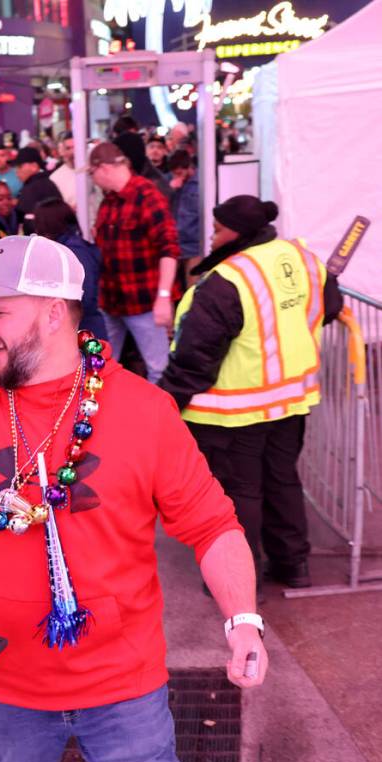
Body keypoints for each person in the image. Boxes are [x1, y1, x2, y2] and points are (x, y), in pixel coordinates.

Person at [0, 234, 269, 762]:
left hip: (125, 685)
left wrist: (243, 622)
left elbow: (213, 526)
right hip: (4, 683)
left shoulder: (143, 409)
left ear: (53, 313)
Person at [158, 196, 342, 590]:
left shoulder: (226, 281)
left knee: (238, 495)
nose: (211, 235)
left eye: (218, 229)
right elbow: (329, 306)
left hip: (231, 414)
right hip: (290, 402)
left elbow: (194, 360)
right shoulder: (301, 258)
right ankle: (293, 565)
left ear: (237, 233)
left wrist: (164, 405)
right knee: (281, 481)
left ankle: (239, 579)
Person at [90, 142, 180, 383]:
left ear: (104, 168)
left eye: (92, 172)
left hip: (144, 301)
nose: (92, 179)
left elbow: (169, 249)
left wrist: (163, 297)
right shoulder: (109, 202)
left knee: (158, 368)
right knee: (101, 366)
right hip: (111, 300)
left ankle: (161, 419)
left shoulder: (148, 196)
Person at [28, 200, 109, 340]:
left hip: (84, 332)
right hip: (74, 328)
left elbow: (85, 296)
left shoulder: (75, 252)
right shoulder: (60, 249)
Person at [166, 150, 201, 280]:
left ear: (189, 168)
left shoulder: (201, 184)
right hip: (174, 242)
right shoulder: (168, 181)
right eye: (173, 173)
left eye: (179, 173)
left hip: (194, 245)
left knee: (192, 286)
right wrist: (170, 190)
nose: (176, 176)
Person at [13, 148, 63, 236]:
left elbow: (29, 222)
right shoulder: (44, 182)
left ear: (34, 166)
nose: (16, 171)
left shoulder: (34, 187)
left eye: (20, 166)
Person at [48, 132, 78, 211]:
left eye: (76, 147)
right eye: (68, 148)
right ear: (61, 152)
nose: (73, 152)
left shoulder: (93, 171)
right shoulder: (55, 179)